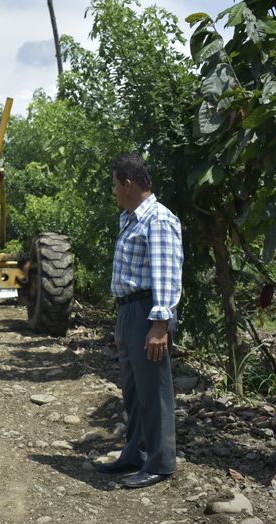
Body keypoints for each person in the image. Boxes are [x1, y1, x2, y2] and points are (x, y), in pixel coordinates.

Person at [96, 154, 183, 489]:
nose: (114, 191)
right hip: (129, 311)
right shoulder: (131, 219)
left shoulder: (157, 219)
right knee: (134, 390)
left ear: (128, 184)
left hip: (149, 312)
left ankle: (161, 463)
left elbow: (167, 274)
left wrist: (159, 325)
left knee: (154, 390)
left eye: (115, 185)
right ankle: (136, 452)